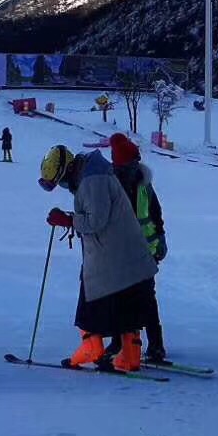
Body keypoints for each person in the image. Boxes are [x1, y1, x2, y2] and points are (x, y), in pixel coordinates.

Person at [39, 143, 159, 373]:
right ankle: (130, 355)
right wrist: (72, 217)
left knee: (90, 300)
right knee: (125, 302)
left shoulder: (92, 181)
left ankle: (91, 348)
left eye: (61, 181)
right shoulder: (94, 174)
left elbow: (96, 221)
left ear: (66, 171)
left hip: (109, 256)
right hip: (124, 254)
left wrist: (68, 220)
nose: (64, 186)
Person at [110, 133, 171, 364]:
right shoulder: (113, 184)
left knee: (144, 297)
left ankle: (155, 345)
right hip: (122, 252)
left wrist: (162, 238)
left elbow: (155, 213)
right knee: (121, 297)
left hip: (145, 251)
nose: (134, 168)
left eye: (135, 162)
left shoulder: (144, 184)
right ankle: (120, 343)